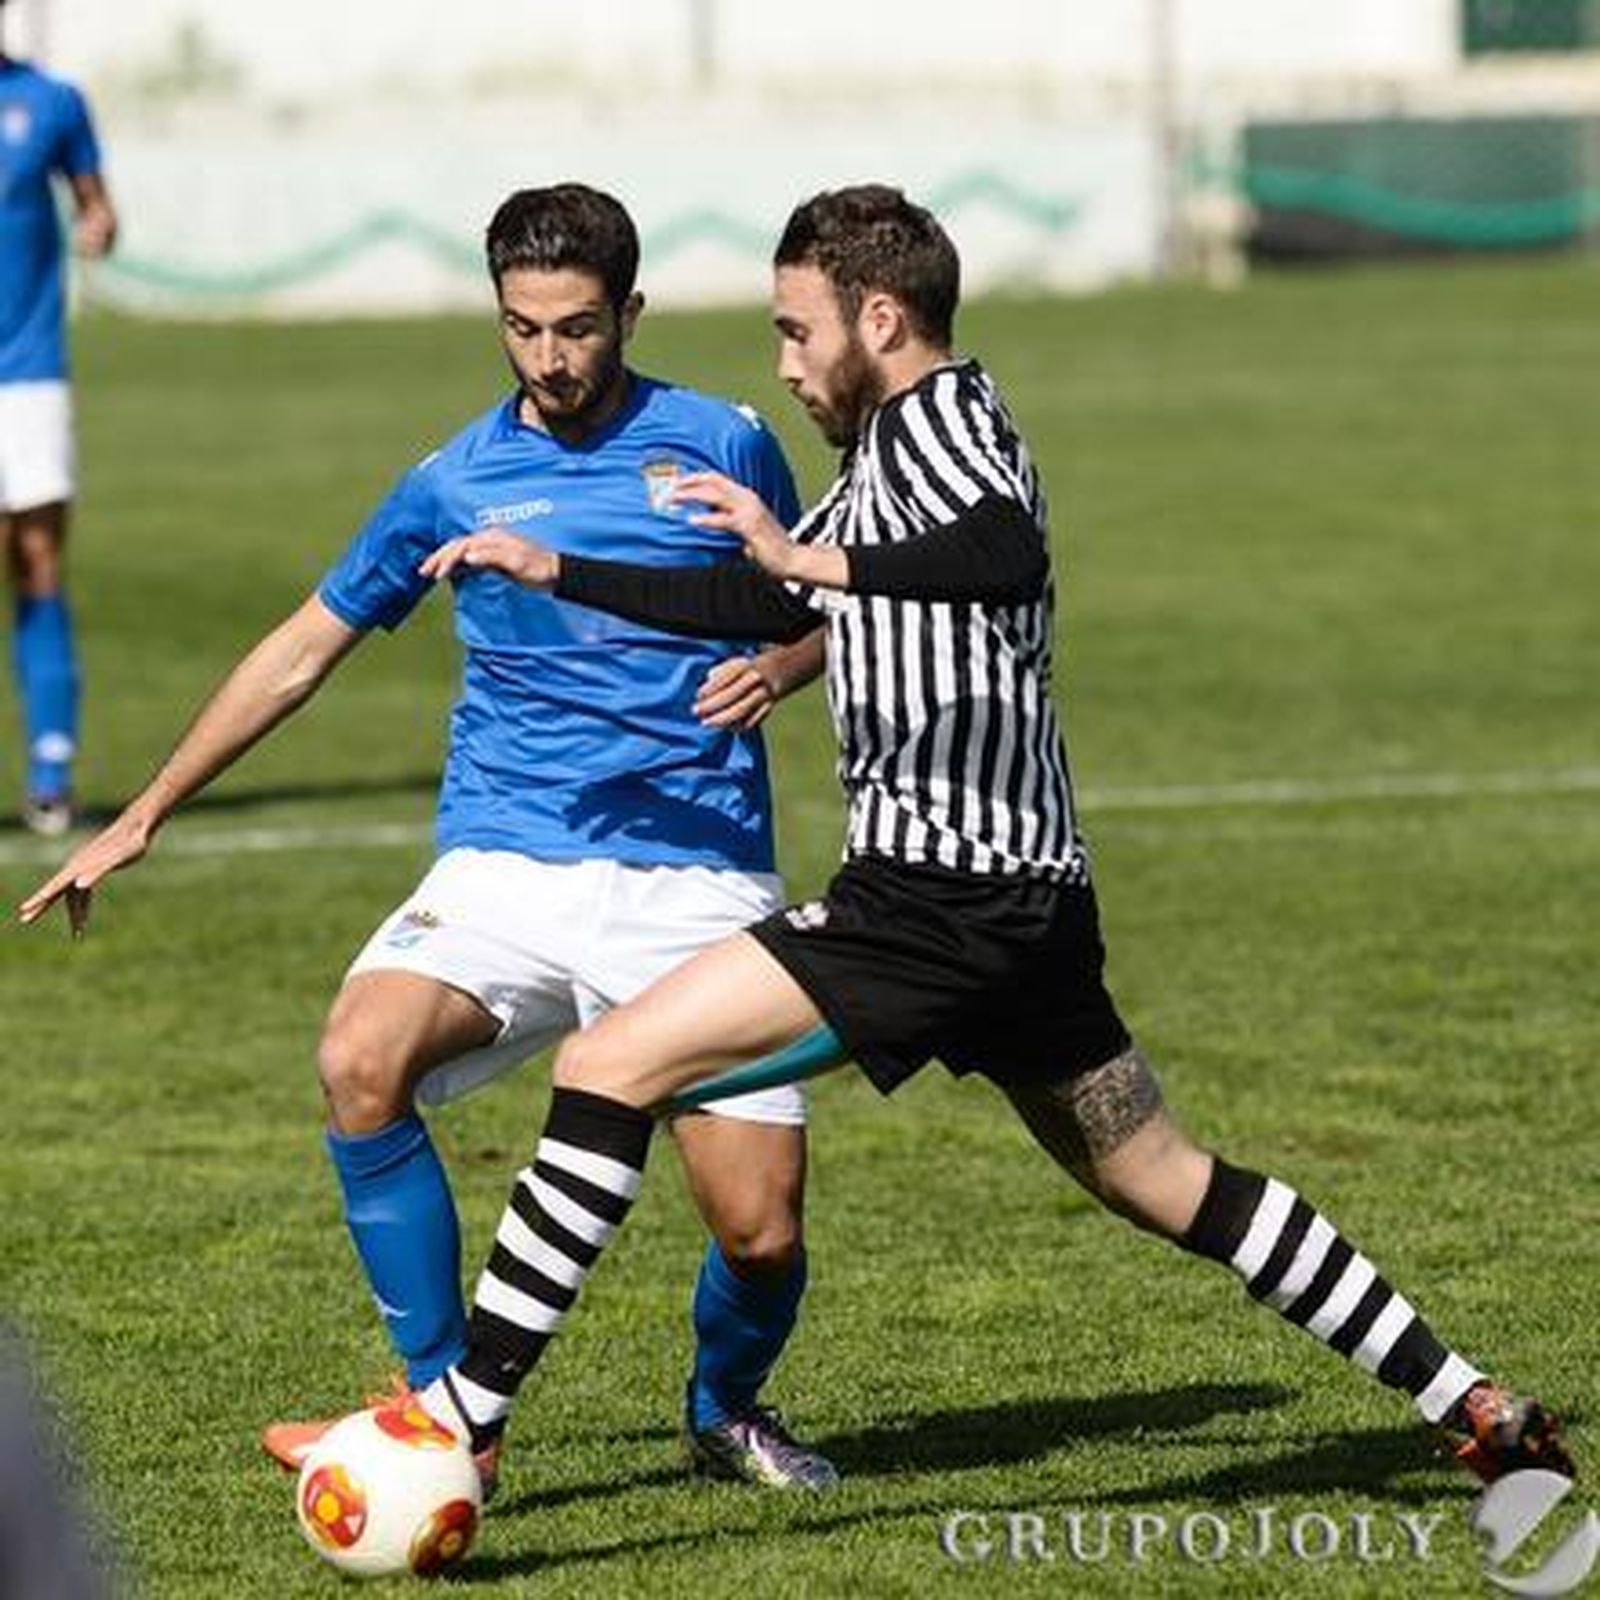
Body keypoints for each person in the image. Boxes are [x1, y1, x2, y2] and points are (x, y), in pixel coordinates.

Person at [403, 184, 1571, 1489]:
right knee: (1165, 1178)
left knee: (609, 1064)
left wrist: (820, 567)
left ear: (880, 316)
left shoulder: (949, 423)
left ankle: (455, 1426)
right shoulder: (883, 466)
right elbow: (756, 588)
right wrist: (561, 569)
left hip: (933, 904)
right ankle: (1467, 1398)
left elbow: (1000, 553)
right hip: (1026, 913)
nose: (784, 366)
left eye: (799, 333)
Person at [19, 183, 839, 1493]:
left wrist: (786, 669)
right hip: (507, 860)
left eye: (577, 328)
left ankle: (725, 1406)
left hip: (695, 869)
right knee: (358, 1055)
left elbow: (826, 597)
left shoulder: (726, 444)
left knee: (759, 1229)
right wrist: (143, 815)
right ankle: (449, 1413)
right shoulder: (448, 482)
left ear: (629, 311)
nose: (551, 358)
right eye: (523, 328)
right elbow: (302, 652)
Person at [0, 1, 116, 836]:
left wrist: (98, 224)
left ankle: (50, 767)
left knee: (37, 558)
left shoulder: (52, 101)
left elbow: (96, 205)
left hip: (30, 372)